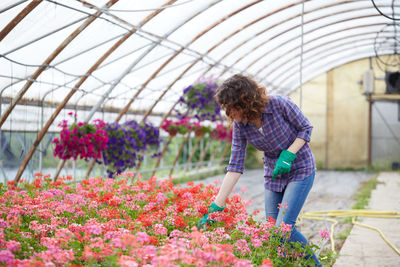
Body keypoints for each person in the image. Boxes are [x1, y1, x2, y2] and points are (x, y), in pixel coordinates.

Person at [198, 74, 321, 266]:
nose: (228, 113)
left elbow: (306, 128)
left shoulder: (279, 104)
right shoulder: (241, 125)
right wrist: (217, 206)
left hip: (300, 169)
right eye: (225, 108)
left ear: (245, 100)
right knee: (273, 233)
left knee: (283, 229)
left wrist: (289, 154)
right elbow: (235, 165)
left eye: (231, 106)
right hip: (274, 174)